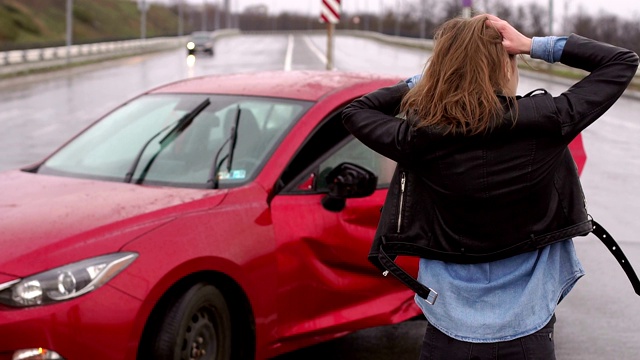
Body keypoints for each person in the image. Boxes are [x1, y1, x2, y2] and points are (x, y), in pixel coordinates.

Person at [342, 14, 638, 360]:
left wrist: (419, 83)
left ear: (441, 70)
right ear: (505, 64)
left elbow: (355, 111)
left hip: (447, 330)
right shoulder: (547, 120)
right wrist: (531, 45)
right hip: (530, 333)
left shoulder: (420, 137)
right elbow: (621, 61)